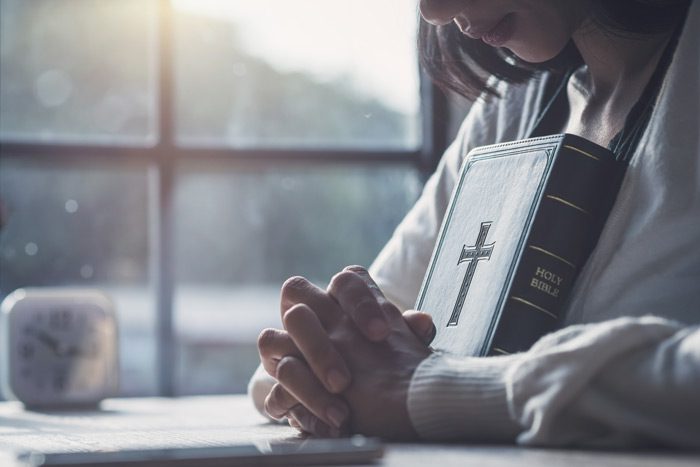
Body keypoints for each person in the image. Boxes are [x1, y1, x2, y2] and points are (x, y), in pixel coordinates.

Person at [249, 0, 700, 447]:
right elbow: (334, 357)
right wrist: (317, 363)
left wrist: (430, 391)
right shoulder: (514, 105)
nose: (433, 12)